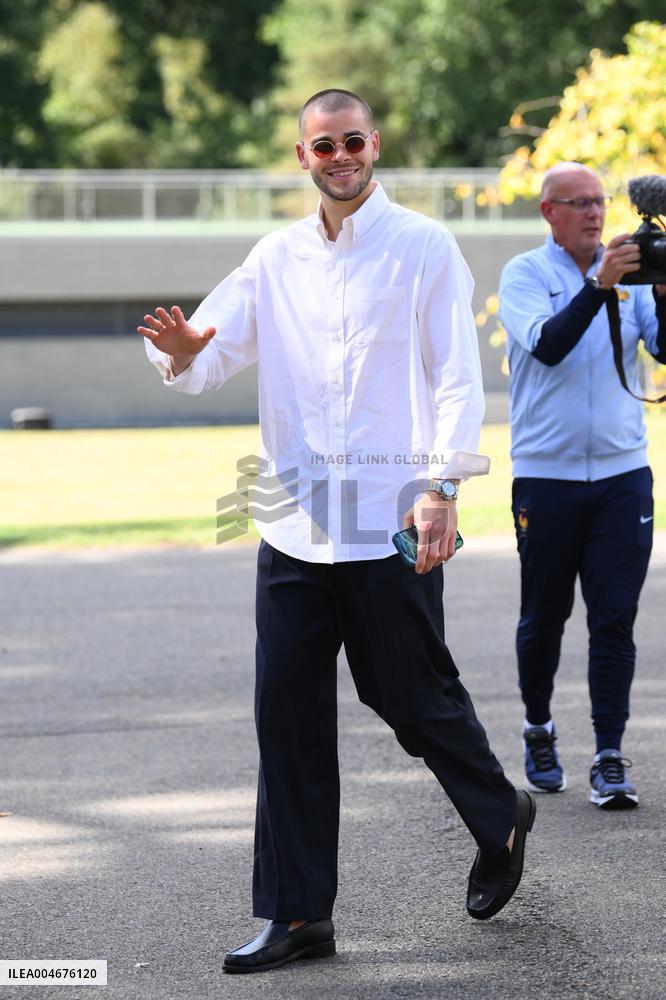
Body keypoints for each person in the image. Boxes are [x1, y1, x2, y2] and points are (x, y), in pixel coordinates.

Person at [139, 89, 535, 974]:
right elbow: (204, 357)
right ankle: (297, 916)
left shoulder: (424, 245)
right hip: (290, 525)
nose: (341, 156)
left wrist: (442, 487)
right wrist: (184, 351)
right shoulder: (273, 257)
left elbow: (455, 380)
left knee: (410, 695)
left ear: (374, 144)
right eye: (324, 146)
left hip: (394, 517)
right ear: (302, 155)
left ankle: (499, 812)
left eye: (352, 141)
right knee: (285, 717)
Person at [499, 162, 666, 810]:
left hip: (624, 473)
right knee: (545, 617)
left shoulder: (632, 273)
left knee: (615, 619)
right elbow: (547, 345)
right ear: (549, 212)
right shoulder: (526, 274)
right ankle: (539, 727)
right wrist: (601, 286)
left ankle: (609, 756)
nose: (596, 214)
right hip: (548, 475)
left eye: (601, 202)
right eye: (580, 203)